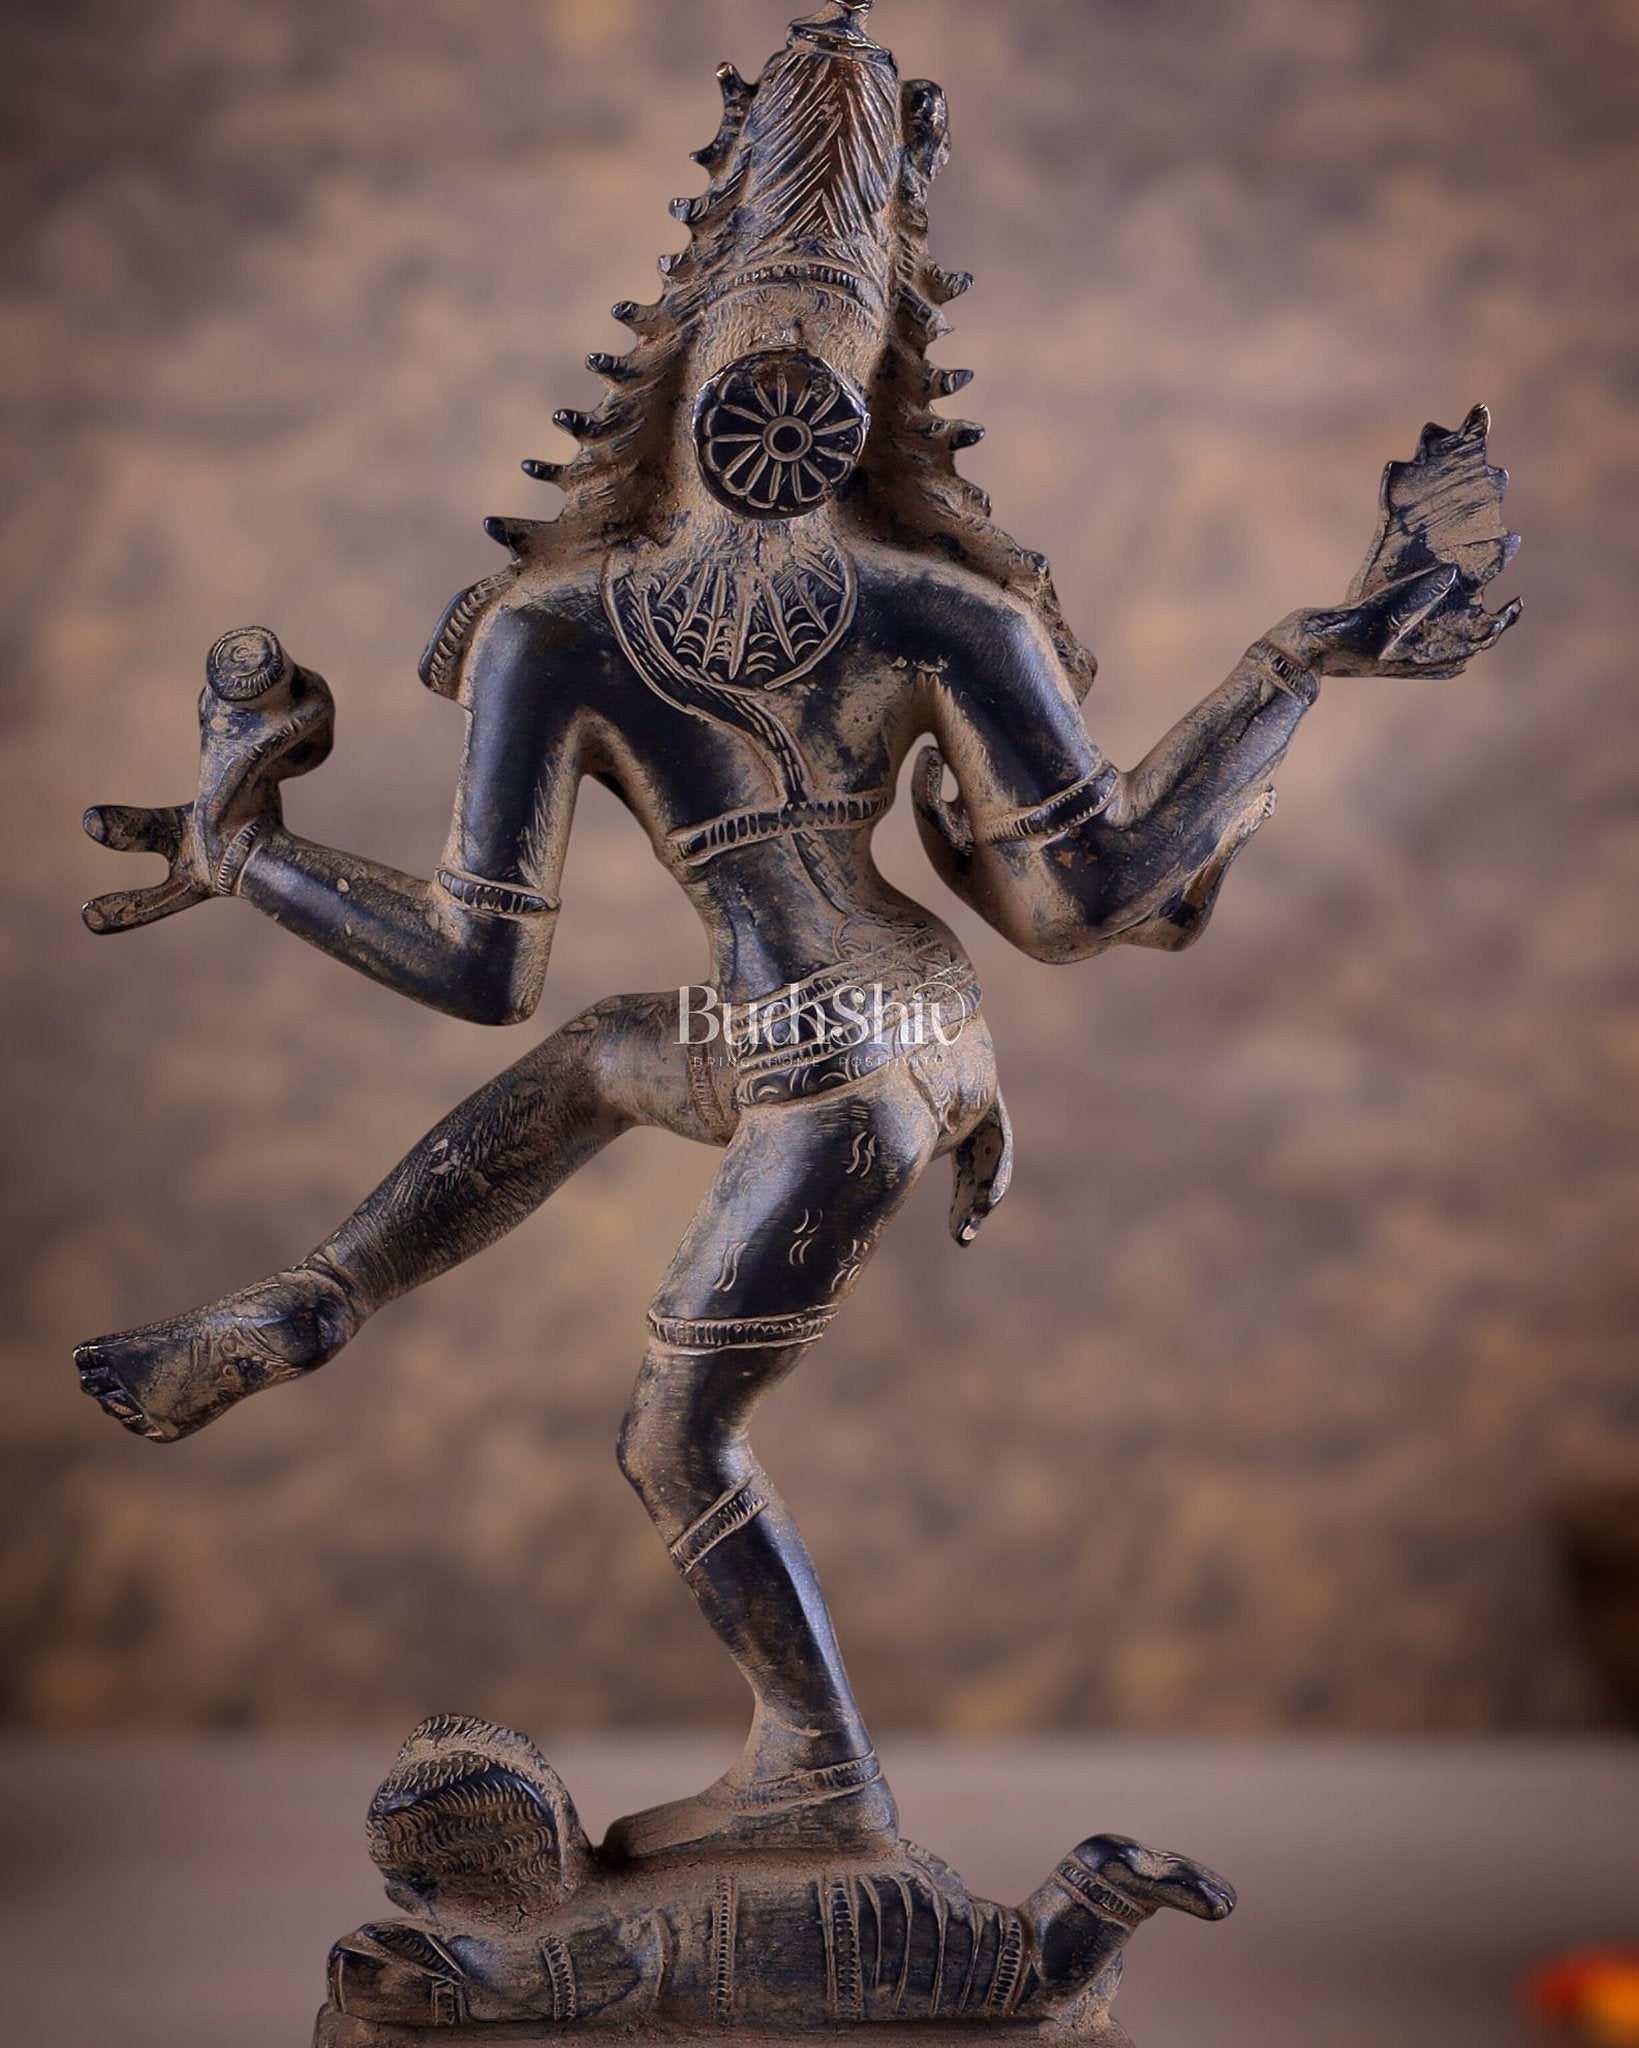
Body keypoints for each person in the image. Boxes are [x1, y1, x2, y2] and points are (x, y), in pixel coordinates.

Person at [76, 0, 1519, 1861]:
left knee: (674, 1439)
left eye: (814, 374)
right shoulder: (921, 612)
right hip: (869, 1036)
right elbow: (1077, 903)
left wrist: (251, 858)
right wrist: (1292, 666)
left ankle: (824, 1773)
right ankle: (321, 1296)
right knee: (603, 1053)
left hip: (838, 1070)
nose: (784, 409)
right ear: (690, 365)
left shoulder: (565, 627)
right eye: (769, 366)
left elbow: (467, 957)